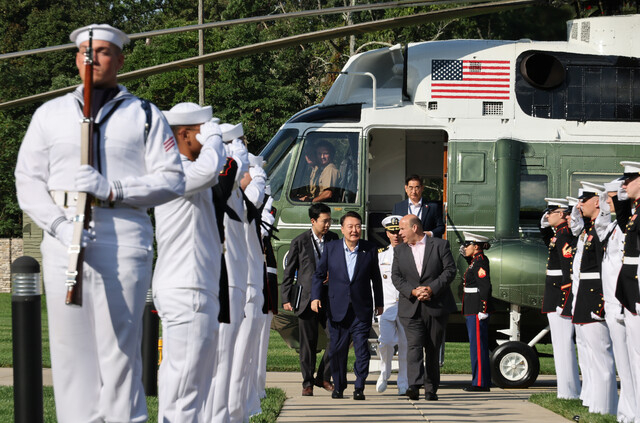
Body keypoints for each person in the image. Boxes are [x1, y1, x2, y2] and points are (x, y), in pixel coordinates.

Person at [14, 24, 185, 422]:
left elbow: (171, 179)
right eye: (85, 53)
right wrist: (56, 224)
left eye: (104, 52)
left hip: (121, 235)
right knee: (71, 357)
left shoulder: (143, 115)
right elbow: (27, 179)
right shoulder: (50, 114)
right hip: (62, 240)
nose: (92, 60)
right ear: (76, 58)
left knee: (119, 353)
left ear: (121, 59)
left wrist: (113, 188)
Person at [154, 102, 226, 422]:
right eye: (202, 130)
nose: (210, 135)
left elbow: (215, 173)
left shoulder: (189, 171)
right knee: (184, 387)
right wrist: (213, 141)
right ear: (184, 134)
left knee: (192, 384)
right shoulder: (175, 170)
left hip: (194, 287)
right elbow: (210, 169)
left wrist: (210, 142)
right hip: (187, 288)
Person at [311, 211, 384, 400]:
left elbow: (376, 278)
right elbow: (319, 275)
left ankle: (359, 387)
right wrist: (315, 297)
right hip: (337, 309)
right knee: (337, 350)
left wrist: (380, 303)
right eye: (350, 227)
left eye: (358, 226)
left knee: (361, 350)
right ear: (342, 229)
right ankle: (339, 386)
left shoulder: (369, 249)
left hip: (361, 309)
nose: (354, 230)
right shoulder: (331, 248)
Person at [208, 123, 250, 423]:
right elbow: (241, 166)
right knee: (221, 357)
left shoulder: (231, 190)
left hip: (234, 278)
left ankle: (225, 414)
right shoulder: (220, 183)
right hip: (227, 279)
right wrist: (233, 145)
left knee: (229, 356)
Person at [392, 214, 457, 401]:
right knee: (414, 346)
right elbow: (397, 277)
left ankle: (431, 389)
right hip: (411, 307)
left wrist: (431, 289)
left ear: (414, 228)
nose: (399, 233)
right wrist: (413, 292)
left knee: (432, 348)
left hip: (436, 306)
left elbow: (450, 270)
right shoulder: (399, 251)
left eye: (402, 229)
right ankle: (414, 385)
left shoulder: (440, 245)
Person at [281, 203, 338, 396]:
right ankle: (307, 383)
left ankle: (323, 376)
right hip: (306, 299)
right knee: (308, 344)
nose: (328, 224)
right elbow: (289, 272)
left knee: (336, 337)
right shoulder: (300, 241)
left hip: (329, 298)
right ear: (313, 221)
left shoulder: (333, 239)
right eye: (325, 221)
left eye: (330, 220)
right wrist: (286, 298)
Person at [571, 181, 617, 416]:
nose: (579, 205)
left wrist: (600, 303)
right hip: (584, 298)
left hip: (594, 298)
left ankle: (606, 408)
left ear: (596, 201)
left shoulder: (602, 229)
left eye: (584, 199)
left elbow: (605, 269)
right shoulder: (589, 231)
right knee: (590, 353)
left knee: (601, 356)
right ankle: (596, 404)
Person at [229, 154, 267, 423]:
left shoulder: (238, 196)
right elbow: (254, 193)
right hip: (240, 284)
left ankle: (241, 407)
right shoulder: (233, 197)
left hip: (247, 283)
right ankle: (233, 410)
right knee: (236, 357)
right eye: (247, 173)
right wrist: (259, 172)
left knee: (245, 357)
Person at [600, 179, 636, 423]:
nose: (610, 200)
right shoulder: (616, 226)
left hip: (627, 298)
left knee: (633, 363)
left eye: (613, 196)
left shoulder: (628, 223)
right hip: (618, 299)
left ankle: (632, 413)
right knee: (627, 367)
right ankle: (628, 412)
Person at [539, 198, 580, 400]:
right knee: (560, 345)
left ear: (562, 213)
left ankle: (569, 391)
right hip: (554, 295)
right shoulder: (559, 235)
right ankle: (565, 390)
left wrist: (565, 300)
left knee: (563, 345)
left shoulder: (564, 235)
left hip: (559, 297)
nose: (547, 216)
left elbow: (568, 271)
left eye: (551, 212)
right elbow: (547, 237)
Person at [616, 161, 640, 423]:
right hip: (632, 294)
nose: (624, 185)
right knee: (635, 359)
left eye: (629, 179)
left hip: (637, 293)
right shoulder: (635, 213)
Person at [375, 215, 409, 395]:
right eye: (392, 232)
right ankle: (384, 372)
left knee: (405, 346)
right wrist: (375, 304)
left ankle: (403, 381)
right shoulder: (381, 256)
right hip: (387, 307)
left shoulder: (411, 254)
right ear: (387, 233)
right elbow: (376, 283)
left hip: (406, 307)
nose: (396, 235)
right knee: (385, 343)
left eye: (398, 231)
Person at [459, 232, 492, 392]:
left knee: (478, 347)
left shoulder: (480, 262)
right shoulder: (475, 261)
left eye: (468, 245)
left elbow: (485, 287)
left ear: (476, 246)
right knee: (477, 346)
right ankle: (481, 381)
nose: (465, 247)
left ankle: (479, 383)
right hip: (472, 307)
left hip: (476, 308)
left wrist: (483, 309)